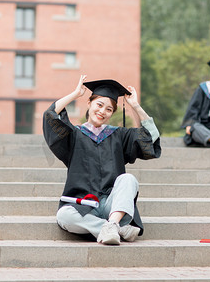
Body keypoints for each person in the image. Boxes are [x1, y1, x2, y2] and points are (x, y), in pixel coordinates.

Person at [43, 75, 161, 245]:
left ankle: (112, 223)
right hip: (84, 205)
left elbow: (152, 136)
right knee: (64, 216)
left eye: (109, 109)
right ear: (89, 103)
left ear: (112, 113)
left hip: (112, 206)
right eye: (99, 105)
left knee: (128, 179)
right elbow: (50, 115)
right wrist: (75, 94)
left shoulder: (118, 135)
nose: (102, 112)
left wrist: (135, 105)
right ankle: (114, 228)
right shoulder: (74, 135)